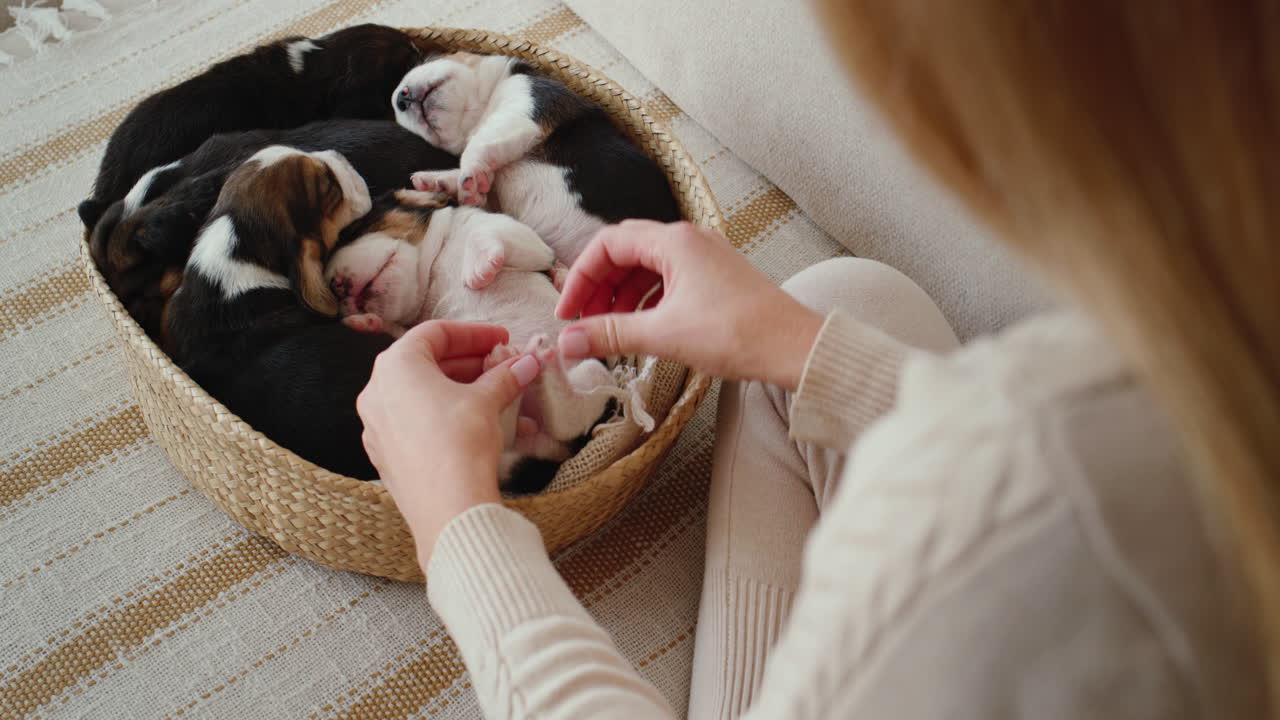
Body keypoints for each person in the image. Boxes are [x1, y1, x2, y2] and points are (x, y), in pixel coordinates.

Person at [355, 0, 1279, 717]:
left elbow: (1047, 485)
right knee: (846, 299)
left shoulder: (1034, 494)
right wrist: (797, 346)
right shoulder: (1192, 379)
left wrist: (457, 524)